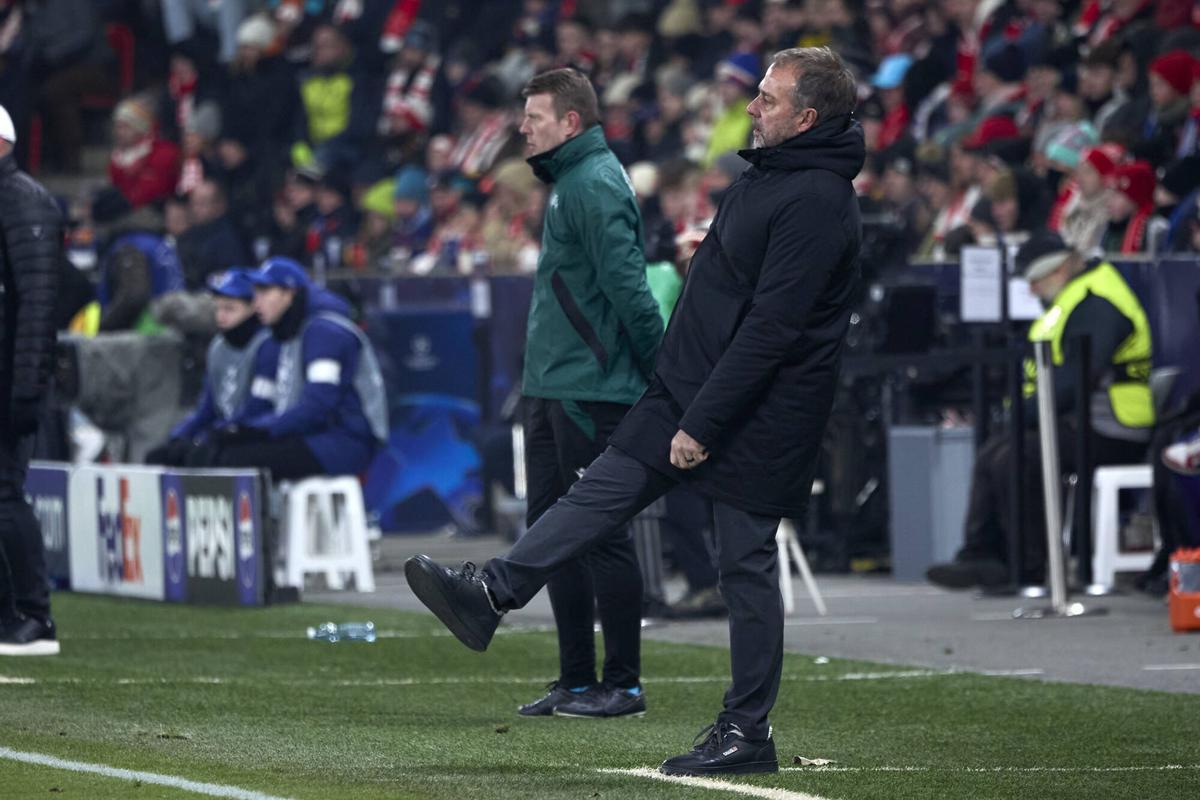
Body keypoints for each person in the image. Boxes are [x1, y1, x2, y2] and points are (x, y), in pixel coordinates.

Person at [405, 47, 863, 776]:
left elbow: (773, 331)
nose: (751, 107)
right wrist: (702, 266)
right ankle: (491, 592)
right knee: (600, 490)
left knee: (743, 563)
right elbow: (748, 290)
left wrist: (701, 423)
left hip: (758, 407)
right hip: (692, 384)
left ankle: (746, 731)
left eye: (768, 100)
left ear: (807, 117)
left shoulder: (816, 199)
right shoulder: (771, 176)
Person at [508, 68, 664, 720]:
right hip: (553, 384)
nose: (523, 127)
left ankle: (622, 683)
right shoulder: (572, 181)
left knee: (600, 535)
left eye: (534, 117)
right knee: (552, 532)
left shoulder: (594, 184)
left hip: (590, 389)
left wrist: (667, 374)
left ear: (570, 122)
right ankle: (576, 679)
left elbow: (630, 290)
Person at [927, 232, 1153, 590]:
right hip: (1077, 420)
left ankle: (1029, 567)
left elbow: (1078, 378)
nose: (1031, 291)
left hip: (1113, 425)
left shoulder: (1099, 302)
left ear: (1061, 269)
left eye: (1035, 281)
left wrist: (1024, 415)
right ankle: (982, 556)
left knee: (1017, 456)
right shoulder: (1077, 297)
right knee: (994, 453)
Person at [209, 257, 387, 481]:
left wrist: (261, 430)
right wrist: (239, 429)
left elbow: (318, 406)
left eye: (265, 292)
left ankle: (269, 517)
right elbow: (266, 403)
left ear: (289, 293)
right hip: (312, 435)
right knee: (222, 452)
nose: (257, 303)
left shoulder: (325, 332)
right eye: (256, 293)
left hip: (345, 440)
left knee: (238, 460)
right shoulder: (287, 334)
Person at [0, 104, 62, 656]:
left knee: (5, 494)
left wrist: (24, 389)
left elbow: (39, 308)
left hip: (10, 379)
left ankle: (35, 617)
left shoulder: (24, 200)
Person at [145, 269, 277, 467]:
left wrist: (210, 436)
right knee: (160, 455)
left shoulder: (267, 345)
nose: (221, 316)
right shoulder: (217, 346)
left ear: (252, 308)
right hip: (222, 433)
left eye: (230, 309)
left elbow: (258, 408)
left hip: (250, 436)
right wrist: (177, 437)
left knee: (204, 456)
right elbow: (207, 407)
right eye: (218, 308)